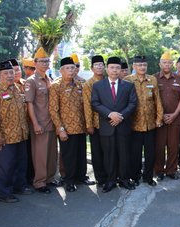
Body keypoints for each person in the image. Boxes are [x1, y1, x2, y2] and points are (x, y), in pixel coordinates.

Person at [91, 56, 138, 193]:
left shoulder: (128, 86)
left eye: (117, 68)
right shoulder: (98, 86)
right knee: (108, 154)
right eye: (112, 67)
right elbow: (95, 103)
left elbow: (133, 103)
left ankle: (124, 179)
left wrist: (121, 116)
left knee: (124, 154)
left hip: (123, 125)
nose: (115, 70)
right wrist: (110, 114)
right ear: (107, 69)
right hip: (107, 125)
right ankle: (110, 180)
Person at [0, 60, 31, 202]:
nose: (10, 75)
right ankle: (4, 193)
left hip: (21, 133)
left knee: (20, 163)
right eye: (5, 73)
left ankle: (19, 186)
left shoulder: (17, 89)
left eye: (11, 72)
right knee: (5, 166)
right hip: (5, 136)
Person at [49, 57, 88, 192]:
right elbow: (54, 110)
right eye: (67, 68)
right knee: (69, 156)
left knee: (81, 153)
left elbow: (85, 106)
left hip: (80, 126)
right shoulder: (56, 86)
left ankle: (81, 177)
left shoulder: (79, 84)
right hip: (66, 128)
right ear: (61, 70)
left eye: (73, 68)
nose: (71, 70)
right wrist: (60, 129)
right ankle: (69, 180)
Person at [25, 47, 60, 193]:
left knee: (52, 153)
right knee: (40, 154)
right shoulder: (31, 81)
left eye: (47, 61)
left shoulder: (48, 79)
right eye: (42, 61)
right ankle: (39, 182)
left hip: (51, 122)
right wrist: (35, 123)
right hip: (40, 123)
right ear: (35, 63)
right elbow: (30, 103)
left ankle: (50, 178)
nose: (45, 63)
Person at [125, 55, 163, 186]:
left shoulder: (152, 79)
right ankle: (134, 177)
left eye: (144, 65)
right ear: (134, 67)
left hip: (150, 124)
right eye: (139, 65)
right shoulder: (128, 80)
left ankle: (148, 177)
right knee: (134, 153)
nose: (142, 67)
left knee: (150, 153)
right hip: (134, 124)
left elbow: (157, 100)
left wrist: (159, 118)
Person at [154, 52, 180, 180]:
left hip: (175, 118)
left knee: (173, 145)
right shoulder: (154, 78)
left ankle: (171, 170)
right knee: (159, 146)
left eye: (169, 62)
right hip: (159, 119)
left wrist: (175, 114)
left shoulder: (178, 78)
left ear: (172, 64)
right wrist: (160, 115)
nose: (167, 65)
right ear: (160, 64)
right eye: (164, 62)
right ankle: (159, 170)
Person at [83, 55, 109, 186]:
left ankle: (110, 175)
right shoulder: (89, 84)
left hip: (109, 123)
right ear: (92, 68)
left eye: (101, 64)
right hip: (96, 123)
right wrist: (89, 124)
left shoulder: (108, 80)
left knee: (108, 150)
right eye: (96, 65)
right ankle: (100, 177)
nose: (99, 67)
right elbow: (87, 105)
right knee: (97, 151)